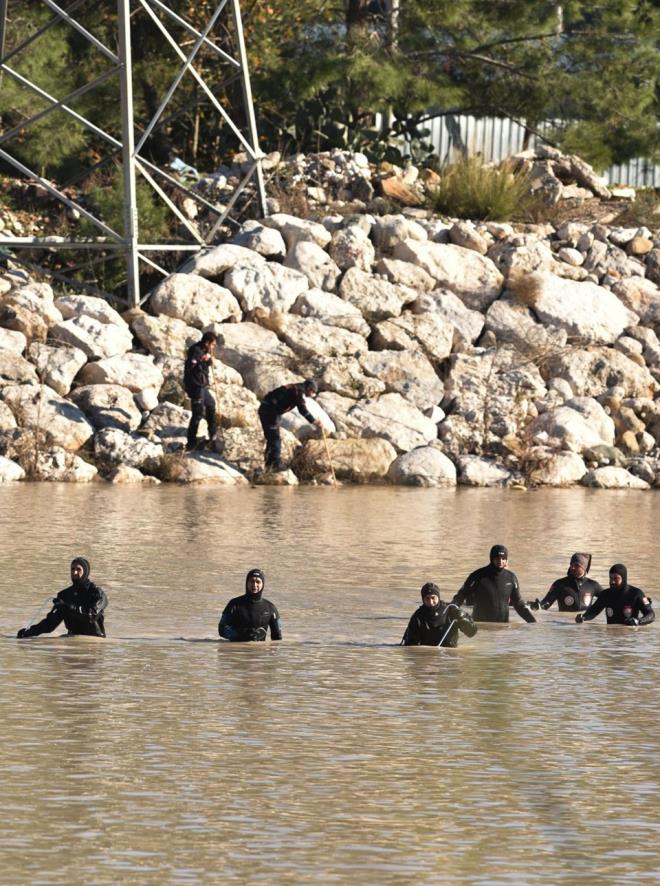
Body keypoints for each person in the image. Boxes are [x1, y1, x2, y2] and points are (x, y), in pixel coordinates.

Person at [16, 557, 108, 639]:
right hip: (72, 639)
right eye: (72, 569)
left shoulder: (97, 593)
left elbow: (91, 615)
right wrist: (29, 632)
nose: (74, 572)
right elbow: (50, 624)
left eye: (78, 569)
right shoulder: (64, 595)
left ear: (86, 572)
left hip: (95, 642)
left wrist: (68, 607)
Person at [453, 544, 536, 624]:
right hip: (481, 627)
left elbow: (518, 604)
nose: (500, 561)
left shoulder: (511, 578)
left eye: (503, 558)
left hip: (502, 629)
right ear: (491, 558)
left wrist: (533, 623)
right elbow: (460, 596)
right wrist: (448, 613)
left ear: (506, 560)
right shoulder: (478, 576)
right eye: (497, 558)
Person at [258, 379, 321, 471]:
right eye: (313, 392)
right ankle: (274, 464)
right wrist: (314, 421)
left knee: (272, 438)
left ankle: (269, 464)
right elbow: (302, 409)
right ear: (309, 388)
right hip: (270, 411)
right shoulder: (298, 391)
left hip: (267, 409)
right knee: (275, 438)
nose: (312, 394)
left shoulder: (295, 388)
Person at [401, 582, 478, 647]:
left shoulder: (451, 611)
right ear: (423, 599)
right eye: (427, 598)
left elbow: (471, 633)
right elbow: (410, 647)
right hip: (427, 659)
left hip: (450, 657)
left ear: (438, 597)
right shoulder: (418, 616)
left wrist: (463, 619)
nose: (431, 602)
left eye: (433, 598)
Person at [576, 564, 654, 626]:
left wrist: (639, 621)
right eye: (610, 578)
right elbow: (594, 611)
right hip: (611, 638)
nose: (612, 582)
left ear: (623, 579)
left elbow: (651, 614)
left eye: (616, 578)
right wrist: (583, 617)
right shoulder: (605, 594)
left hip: (630, 638)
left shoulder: (636, 593)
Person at [218, 569, 282, 642]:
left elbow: (277, 638)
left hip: (260, 652)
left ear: (263, 584)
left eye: (258, 582)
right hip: (236, 651)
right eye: (251, 581)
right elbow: (221, 629)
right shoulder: (234, 604)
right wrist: (242, 634)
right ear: (247, 583)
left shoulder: (270, 607)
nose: (254, 585)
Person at [530, 552, 603, 612]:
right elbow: (546, 603)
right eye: (571, 564)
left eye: (577, 565)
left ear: (584, 567)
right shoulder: (560, 584)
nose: (572, 567)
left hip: (585, 626)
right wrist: (536, 606)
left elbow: (608, 598)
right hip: (565, 625)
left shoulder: (593, 585)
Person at [184, 330, 218, 451]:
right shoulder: (195, 350)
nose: (213, 347)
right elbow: (191, 365)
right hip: (195, 386)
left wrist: (208, 361)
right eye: (213, 344)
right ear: (207, 343)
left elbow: (205, 365)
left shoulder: (205, 351)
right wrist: (202, 359)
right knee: (197, 414)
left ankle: (213, 435)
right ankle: (191, 442)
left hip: (202, 386)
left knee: (211, 405)